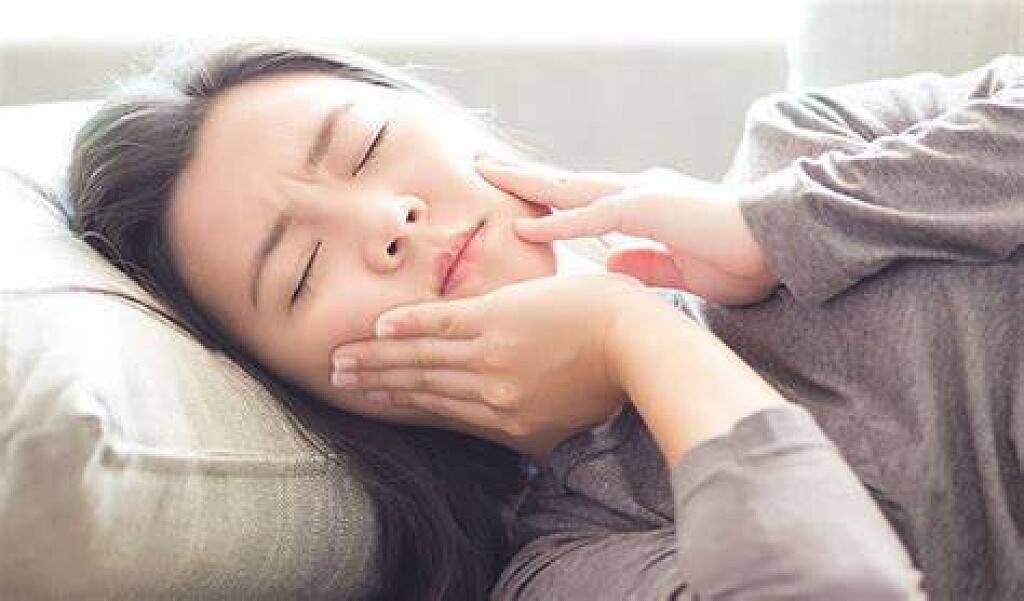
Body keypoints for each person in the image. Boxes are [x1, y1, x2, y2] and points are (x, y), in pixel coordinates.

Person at [62, 38, 1022, 599]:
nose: (385, 222)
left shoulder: (805, 143)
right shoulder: (576, 561)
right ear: (308, 391)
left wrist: (772, 229)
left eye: (368, 147)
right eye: (303, 270)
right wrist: (634, 336)